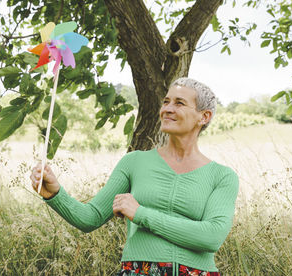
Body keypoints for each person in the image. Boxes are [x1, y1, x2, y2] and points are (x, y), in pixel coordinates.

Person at [30, 77, 239, 276]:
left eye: (179, 103)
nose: (167, 109)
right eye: (166, 102)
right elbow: (90, 218)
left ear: (204, 117)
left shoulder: (222, 176)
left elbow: (212, 236)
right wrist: (54, 193)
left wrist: (140, 213)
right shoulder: (135, 162)